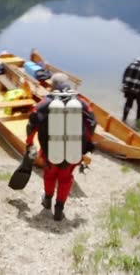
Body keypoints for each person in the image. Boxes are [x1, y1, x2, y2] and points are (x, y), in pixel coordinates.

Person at [25, 73, 96, 221]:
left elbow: (32, 123)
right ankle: (59, 209)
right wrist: (87, 146)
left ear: (52, 86)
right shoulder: (81, 103)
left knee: (50, 175)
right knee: (66, 178)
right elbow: (92, 123)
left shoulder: (45, 103)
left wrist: (29, 143)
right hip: (73, 150)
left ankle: (47, 201)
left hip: (50, 150)